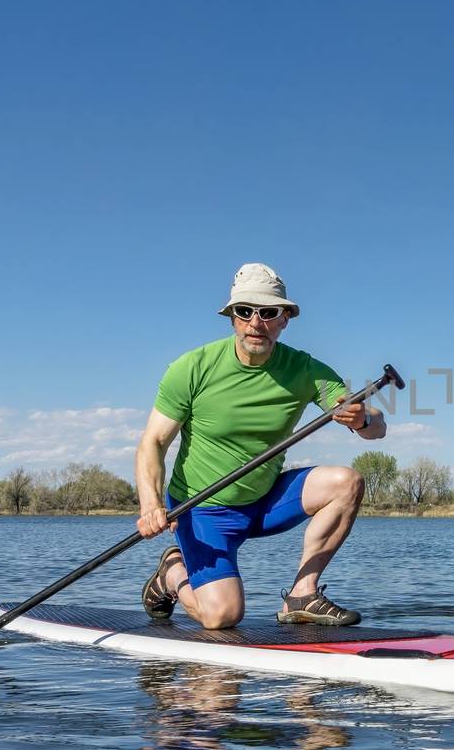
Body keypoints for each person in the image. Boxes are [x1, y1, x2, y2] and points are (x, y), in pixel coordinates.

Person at [134, 262, 385, 629]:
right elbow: (153, 442)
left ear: (285, 319)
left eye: (268, 312)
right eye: (245, 311)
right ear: (232, 317)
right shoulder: (191, 368)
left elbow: (375, 427)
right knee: (222, 616)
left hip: (264, 501)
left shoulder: (305, 370)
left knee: (346, 481)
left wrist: (363, 418)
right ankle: (173, 572)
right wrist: (151, 503)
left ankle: (301, 595)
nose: (256, 322)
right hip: (202, 509)